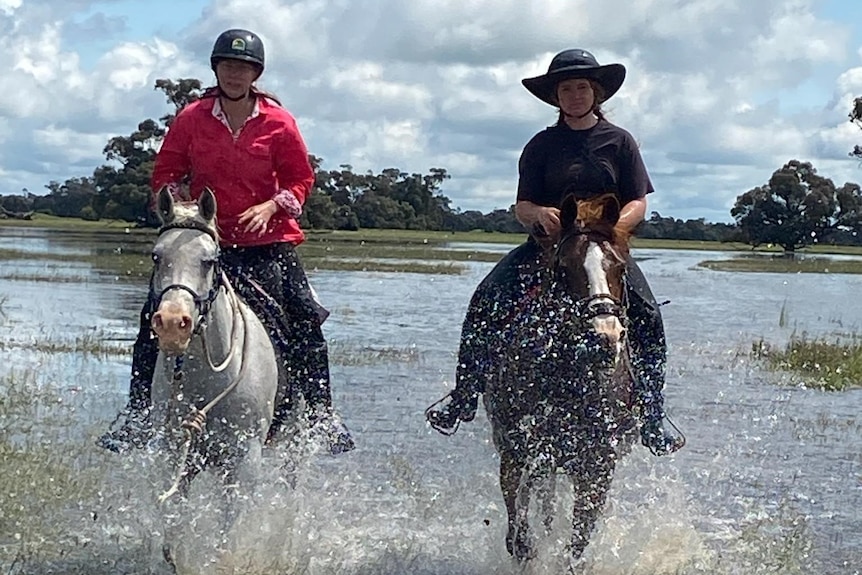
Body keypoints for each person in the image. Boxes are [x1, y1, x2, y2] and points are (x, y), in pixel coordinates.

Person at [97, 28, 354, 455]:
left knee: (305, 319)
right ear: (217, 69)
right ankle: (137, 413)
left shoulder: (279, 122)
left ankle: (321, 415)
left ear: (256, 73)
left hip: (266, 243)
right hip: (202, 242)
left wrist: (272, 207)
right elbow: (166, 173)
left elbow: (300, 179)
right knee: (152, 318)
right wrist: (181, 204)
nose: (236, 74)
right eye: (229, 66)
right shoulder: (191, 118)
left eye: (245, 67)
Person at [425, 48, 684, 456]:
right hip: (547, 247)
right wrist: (538, 213)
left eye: (582, 87)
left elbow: (638, 201)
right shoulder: (541, 145)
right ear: (556, 96)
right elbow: (521, 205)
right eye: (567, 88)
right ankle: (463, 396)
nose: (575, 95)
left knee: (649, 314)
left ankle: (652, 413)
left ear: (596, 93)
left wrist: (615, 229)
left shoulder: (619, 142)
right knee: (485, 298)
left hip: (603, 248)